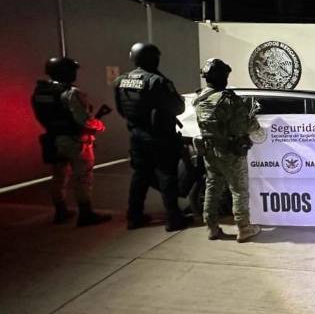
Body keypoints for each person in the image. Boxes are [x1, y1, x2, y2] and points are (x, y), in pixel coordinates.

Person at [113, 43, 187, 231]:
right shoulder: (157, 81)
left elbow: (121, 110)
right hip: (160, 137)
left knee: (140, 176)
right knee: (167, 176)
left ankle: (134, 216)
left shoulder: (121, 81)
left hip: (137, 135)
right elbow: (178, 107)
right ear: (153, 58)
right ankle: (173, 218)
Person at [31, 57, 112, 226]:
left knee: (58, 176)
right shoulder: (71, 92)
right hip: (75, 140)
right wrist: (99, 125)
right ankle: (85, 214)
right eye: (72, 70)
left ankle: (60, 211)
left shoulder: (41, 92)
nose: (74, 73)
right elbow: (83, 119)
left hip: (53, 139)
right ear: (65, 72)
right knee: (82, 176)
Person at [194, 58, 261, 242]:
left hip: (210, 151)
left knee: (212, 188)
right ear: (223, 77)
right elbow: (246, 126)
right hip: (231, 152)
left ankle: (211, 227)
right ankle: (244, 228)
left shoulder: (200, 99)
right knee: (239, 190)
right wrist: (251, 118)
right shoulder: (229, 100)